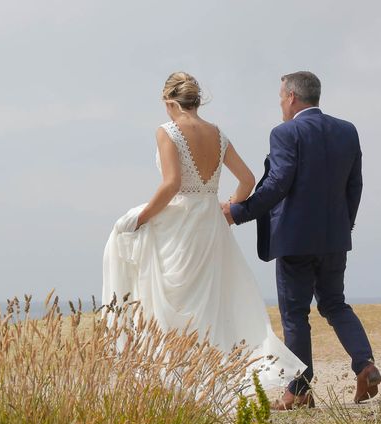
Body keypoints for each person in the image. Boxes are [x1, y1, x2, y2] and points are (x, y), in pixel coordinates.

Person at [102, 72, 306, 391]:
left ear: (170, 102)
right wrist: (228, 207)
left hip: (180, 225)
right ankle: (208, 375)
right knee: (208, 302)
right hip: (211, 223)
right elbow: (248, 180)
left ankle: (176, 378)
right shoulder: (218, 134)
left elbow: (171, 185)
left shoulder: (167, 131)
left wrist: (141, 216)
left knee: (170, 299)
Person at [224, 71, 381, 409]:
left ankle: (299, 389)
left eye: (281, 98)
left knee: (295, 314)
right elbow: (355, 185)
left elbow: (278, 183)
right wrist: (344, 225)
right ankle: (365, 364)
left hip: (294, 240)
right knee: (335, 304)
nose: (281, 104)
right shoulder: (347, 131)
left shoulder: (285, 132)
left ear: (292, 97)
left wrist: (238, 212)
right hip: (335, 237)